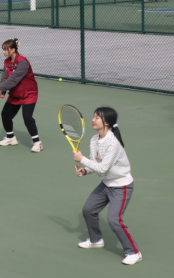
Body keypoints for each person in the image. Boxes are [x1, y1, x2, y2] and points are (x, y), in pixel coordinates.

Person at [74, 107, 142, 265]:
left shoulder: (113, 143)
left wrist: (81, 159)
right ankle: (96, 240)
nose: (93, 120)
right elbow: (96, 163)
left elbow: (103, 168)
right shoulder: (94, 140)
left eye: (97, 117)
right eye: (93, 117)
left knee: (114, 219)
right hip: (106, 184)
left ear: (107, 122)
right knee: (88, 209)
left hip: (121, 186)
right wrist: (85, 170)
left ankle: (134, 252)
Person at [0, 38, 43, 152]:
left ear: (13, 49)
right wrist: (2, 91)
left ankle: (37, 143)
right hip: (15, 94)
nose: (4, 52)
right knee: (5, 114)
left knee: (27, 117)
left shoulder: (23, 62)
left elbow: (14, 79)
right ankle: (10, 138)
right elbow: (4, 77)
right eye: (3, 50)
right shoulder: (7, 62)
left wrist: (0, 88)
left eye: (6, 50)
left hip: (29, 93)